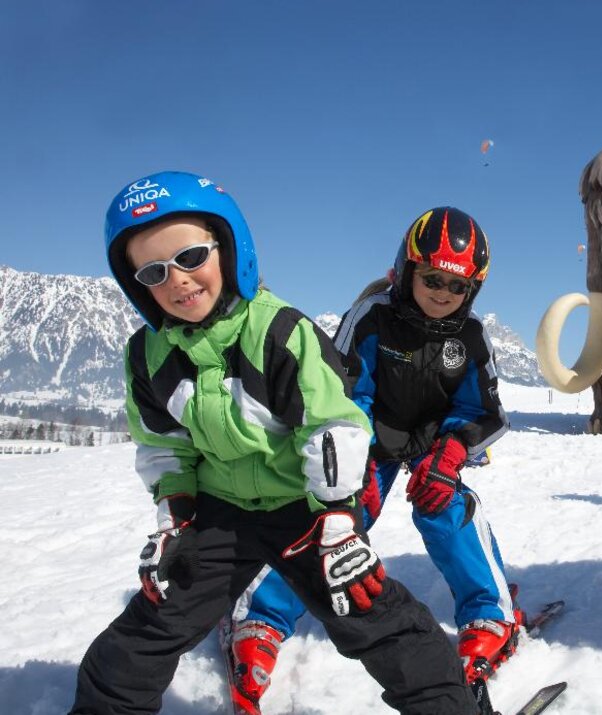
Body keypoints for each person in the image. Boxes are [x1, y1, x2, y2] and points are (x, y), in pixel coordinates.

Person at [69, 172, 476, 715]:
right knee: (148, 626)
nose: (178, 280)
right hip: (217, 515)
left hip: (304, 509)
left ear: (229, 249)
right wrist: (175, 517)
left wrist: (337, 523)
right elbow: (165, 444)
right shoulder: (147, 355)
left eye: (191, 256)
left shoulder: (279, 331)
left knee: (369, 612)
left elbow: (331, 425)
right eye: (153, 270)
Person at [228, 207, 523, 702]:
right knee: (335, 512)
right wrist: (355, 459)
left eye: (459, 287)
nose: (443, 294)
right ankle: (260, 618)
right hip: (372, 440)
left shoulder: (470, 337)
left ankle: (491, 616)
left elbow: (485, 411)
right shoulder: (372, 318)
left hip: (434, 445)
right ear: (407, 269)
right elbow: (341, 394)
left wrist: (450, 454)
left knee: (444, 508)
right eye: (432, 278)